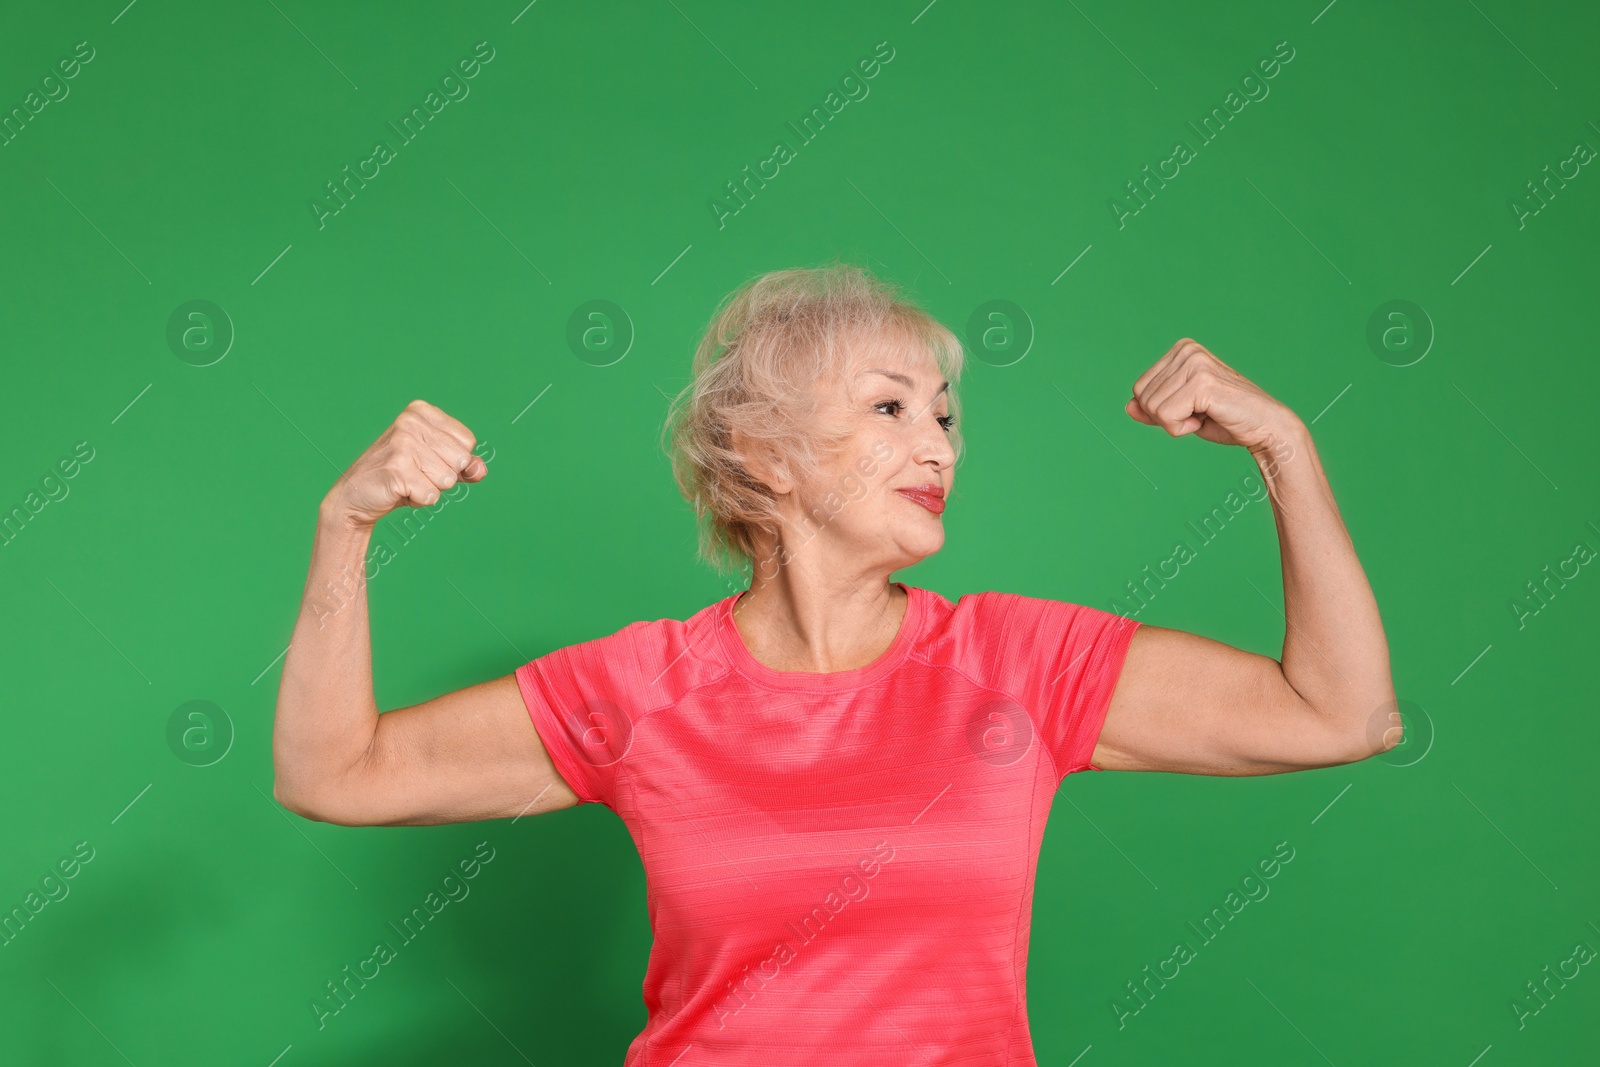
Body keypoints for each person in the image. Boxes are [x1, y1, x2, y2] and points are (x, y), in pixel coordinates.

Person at [272, 263, 1398, 1063]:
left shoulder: (1019, 663)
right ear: (764, 458)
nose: (938, 444)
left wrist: (1282, 447)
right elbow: (333, 772)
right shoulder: (642, 689)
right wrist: (345, 524)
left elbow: (1342, 713)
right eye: (891, 407)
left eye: (947, 415)